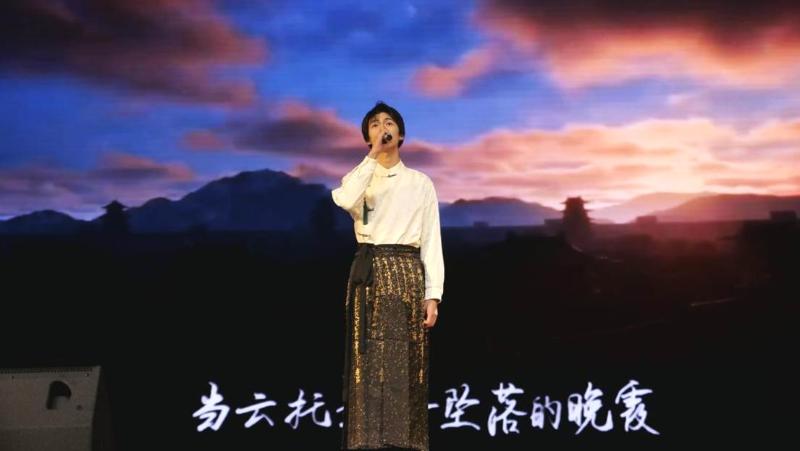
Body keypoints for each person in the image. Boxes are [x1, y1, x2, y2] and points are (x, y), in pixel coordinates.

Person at [332, 101, 445, 451]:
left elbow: (431, 239)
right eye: (375, 124)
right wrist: (372, 158)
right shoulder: (360, 179)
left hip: (406, 273)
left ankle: (404, 443)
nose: (383, 127)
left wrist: (433, 293)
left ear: (401, 134)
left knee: (404, 365)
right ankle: (366, 442)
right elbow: (344, 199)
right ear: (368, 137)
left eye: (390, 122)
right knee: (368, 364)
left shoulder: (420, 183)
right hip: (370, 275)